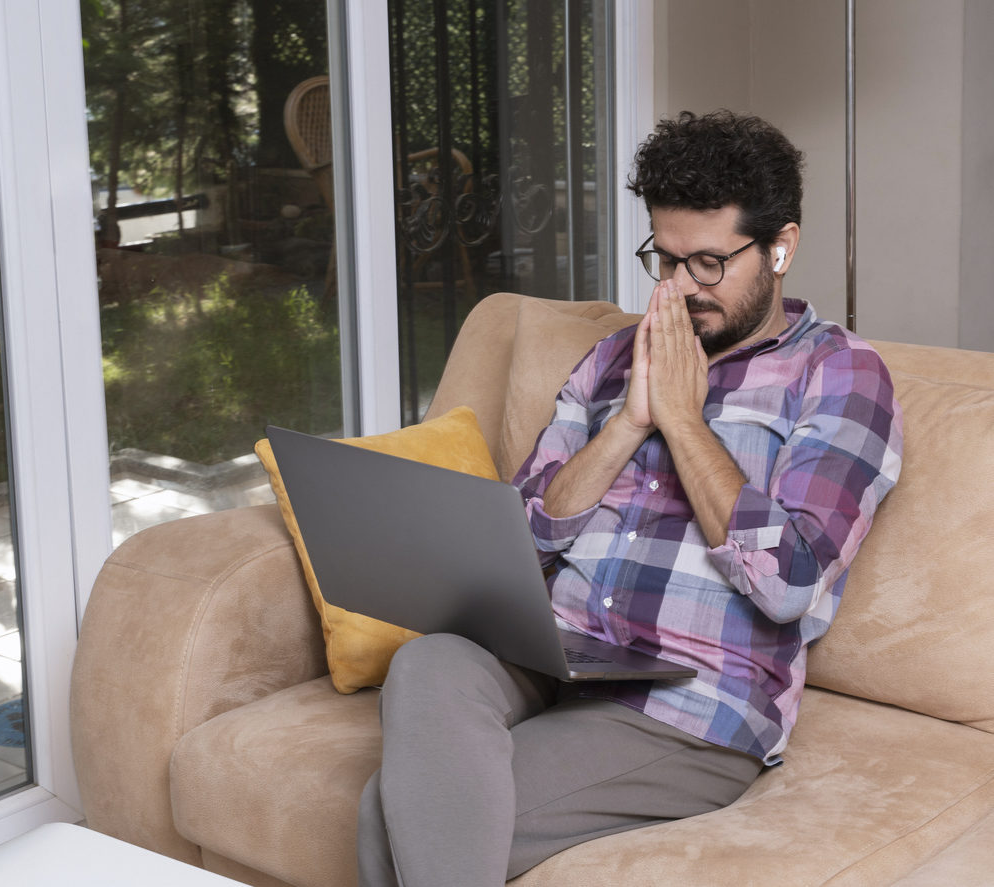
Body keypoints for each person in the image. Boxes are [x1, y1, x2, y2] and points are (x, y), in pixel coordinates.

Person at [356, 109, 904, 886]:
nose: (680, 289)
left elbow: (789, 581)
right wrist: (627, 423)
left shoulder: (840, 375)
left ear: (780, 246)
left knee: (389, 811)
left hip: (690, 699)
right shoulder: (612, 358)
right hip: (556, 653)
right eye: (665, 259)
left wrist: (682, 420)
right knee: (429, 660)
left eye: (709, 264)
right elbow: (521, 541)